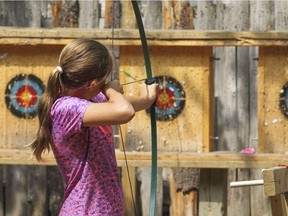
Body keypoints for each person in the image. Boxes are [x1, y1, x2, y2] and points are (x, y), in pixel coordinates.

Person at [30, 38, 158, 215]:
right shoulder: (65, 108)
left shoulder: (88, 99)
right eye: (104, 81)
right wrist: (111, 90)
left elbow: (126, 105)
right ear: (92, 84)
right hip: (85, 210)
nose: (106, 84)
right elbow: (125, 111)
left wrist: (148, 98)